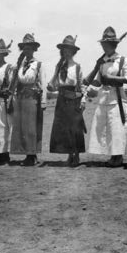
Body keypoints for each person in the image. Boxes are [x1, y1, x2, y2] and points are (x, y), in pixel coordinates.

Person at [84, 26, 127, 167]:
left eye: (107, 44)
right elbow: (97, 82)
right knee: (106, 128)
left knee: (117, 128)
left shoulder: (122, 60)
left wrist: (112, 77)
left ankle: (118, 157)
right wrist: (93, 75)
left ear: (113, 44)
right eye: (103, 44)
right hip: (103, 98)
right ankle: (112, 156)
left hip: (117, 97)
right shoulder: (101, 61)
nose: (104, 46)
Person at [47, 35, 86, 167]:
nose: (66, 52)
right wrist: (51, 86)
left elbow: (82, 86)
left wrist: (83, 101)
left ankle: (77, 156)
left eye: (69, 49)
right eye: (64, 49)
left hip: (74, 99)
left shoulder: (77, 67)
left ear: (73, 51)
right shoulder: (59, 67)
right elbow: (54, 83)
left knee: (75, 128)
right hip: (61, 99)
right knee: (63, 128)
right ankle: (70, 154)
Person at [10, 33, 47, 166]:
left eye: (29, 48)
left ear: (34, 49)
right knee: (22, 128)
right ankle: (27, 154)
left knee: (31, 128)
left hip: (32, 98)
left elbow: (43, 83)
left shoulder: (38, 65)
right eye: (25, 48)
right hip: (21, 98)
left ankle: (32, 155)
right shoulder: (20, 65)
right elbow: (15, 82)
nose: (27, 50)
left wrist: (43, 101)